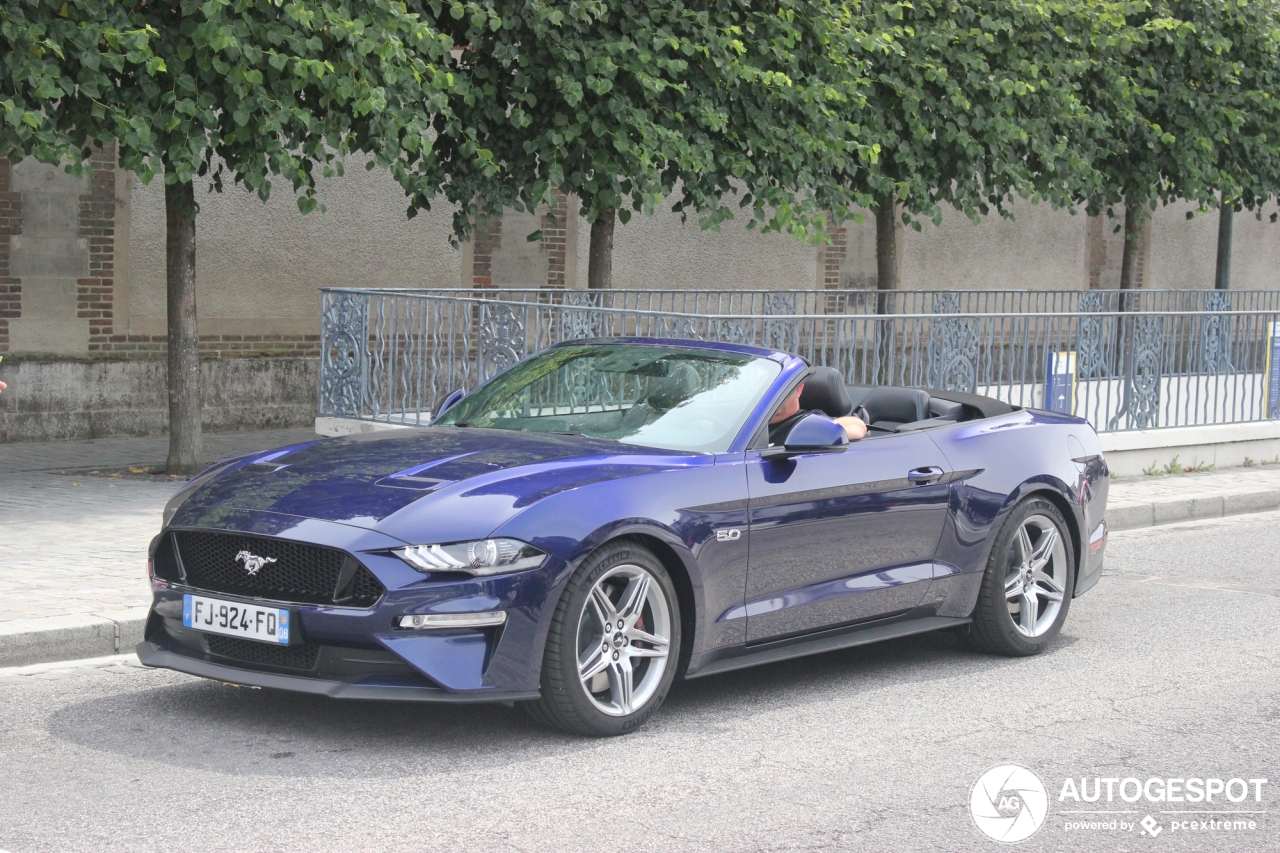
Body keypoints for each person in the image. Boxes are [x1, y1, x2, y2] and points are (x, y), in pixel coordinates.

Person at [768, 382, 867, 445]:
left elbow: (858, 426)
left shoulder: (807, 422)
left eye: (779, 386)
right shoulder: (754, 423)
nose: (772, 393)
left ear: (798, 390)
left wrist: (817, 430)